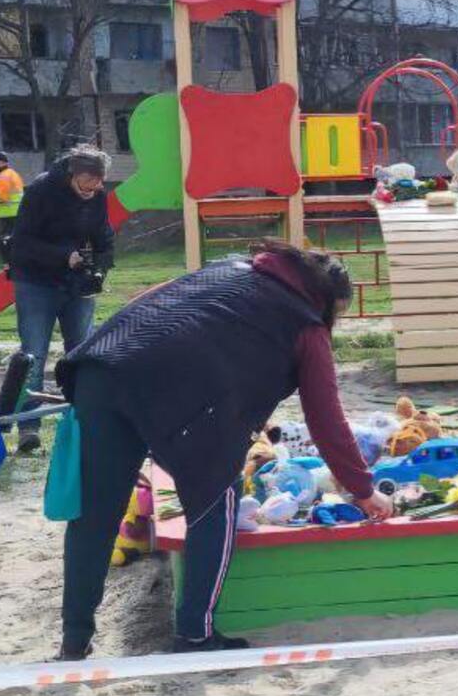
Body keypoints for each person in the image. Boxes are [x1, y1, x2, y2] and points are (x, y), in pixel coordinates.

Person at [54, 242, 395, 657]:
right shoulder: (305, 322)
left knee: (95, 514)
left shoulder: (225, 270)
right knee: (217, 501)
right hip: (178, 396)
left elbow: (151, 298)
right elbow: (326, 419)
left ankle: (74, 641)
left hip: (103, 367)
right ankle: (195, 635)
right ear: (326, 301)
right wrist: (363, 488)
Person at [6, 145, 114, 453]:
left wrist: (103, 261)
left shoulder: (97, 196)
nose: (93, 189)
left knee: (81, 353)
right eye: (87, 183)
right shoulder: (41, 189)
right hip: (35, 281)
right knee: (34, 354)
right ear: (72, 176)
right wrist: (62, 256)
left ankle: (83, 420)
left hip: (76, 283)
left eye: (98, 183)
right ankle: (29, 427)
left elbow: (103, 232)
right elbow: (22, 242)